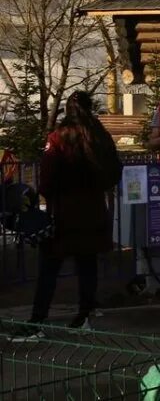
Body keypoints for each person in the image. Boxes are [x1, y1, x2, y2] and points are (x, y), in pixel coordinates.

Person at [27, 92, 122, 330]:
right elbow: (115, 169)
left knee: (49, 267)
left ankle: (38, 319)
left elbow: (47, 180)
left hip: (63, 212)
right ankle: (84, 315)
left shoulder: (59, 137)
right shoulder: (100, 136)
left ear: (66, 111)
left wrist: (49, 197)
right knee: (87, 265)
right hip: (93, 210)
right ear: (90, 108)